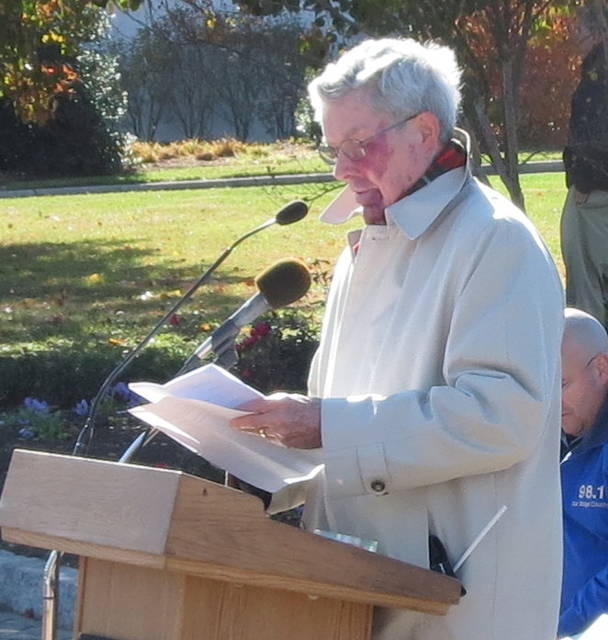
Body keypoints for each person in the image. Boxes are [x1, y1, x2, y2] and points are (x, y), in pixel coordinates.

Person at [231, 38, 564, 640]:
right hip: (355, 583)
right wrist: (257, 449)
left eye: (359, 146)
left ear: (424, 130)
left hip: (455, 595)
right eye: (334, 149)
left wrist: (327, 426)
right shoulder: (366, 245)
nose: (341, 169)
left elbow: (503, 416)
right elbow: (337, 420)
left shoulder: (495, 240)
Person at [559, 307, 608, 638]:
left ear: (602, 367)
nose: (553, 401)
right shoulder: (558, 433)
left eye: (562, 383)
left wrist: (562, 628)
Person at [561, 5, 608, 328]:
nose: (574, 35)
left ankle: (591, 367)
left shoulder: (599, 78)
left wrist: (583, 183)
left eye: (580, 28)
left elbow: (593, 137)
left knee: (587, 290)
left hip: (593, 196)